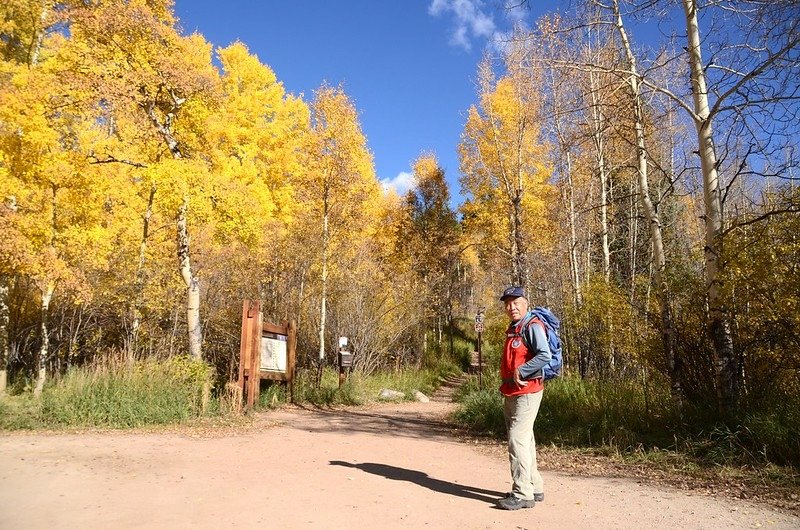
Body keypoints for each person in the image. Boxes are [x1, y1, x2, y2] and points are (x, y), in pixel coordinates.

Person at [496, 285, 551, 511]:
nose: (512, 307)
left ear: (526, 303)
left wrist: (523, 371)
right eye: (508, 304)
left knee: (517, 440)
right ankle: (534, 486)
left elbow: (545, 355)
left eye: (516, 302)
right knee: (525, 440)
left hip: (527, 392)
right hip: (513, 392)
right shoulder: (514, 327)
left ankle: (522, 494)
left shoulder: (532, 326)